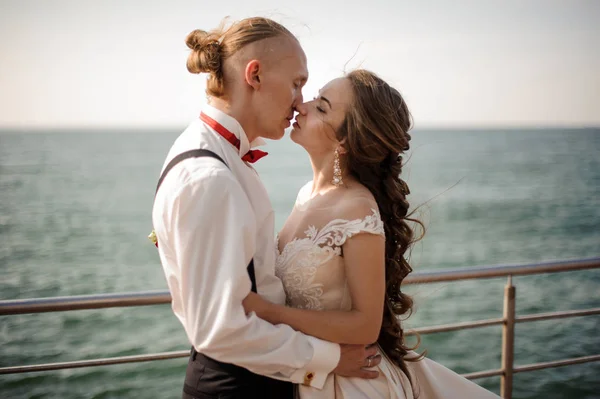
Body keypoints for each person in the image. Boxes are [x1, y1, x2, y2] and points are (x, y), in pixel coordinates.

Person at [151, 18, 382, 399]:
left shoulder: (223, 157)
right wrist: (327, 359)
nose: (299, 101)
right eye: (297, 83)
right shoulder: (211, 176)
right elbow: (221, 329)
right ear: (254, 75)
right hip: (239, 387)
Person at [242, 69, 501, 398]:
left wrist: (270, 313)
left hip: (350, 384)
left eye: (322, 107)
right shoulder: (306, 193)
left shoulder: (357, 208)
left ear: (345, 141)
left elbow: (366, 324)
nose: (302, 107)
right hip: (310, 373)